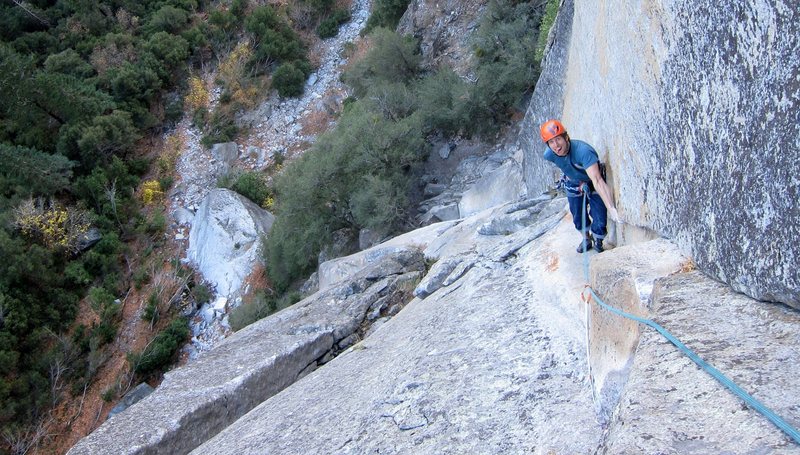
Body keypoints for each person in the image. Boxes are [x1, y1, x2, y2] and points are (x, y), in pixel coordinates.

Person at [540, 119, 620, 253]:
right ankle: (586, 239)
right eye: (551, 142)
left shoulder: (583, 152)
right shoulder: (549, 155)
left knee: (599, 216)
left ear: (566, 137)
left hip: (592, 181)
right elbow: (565, 165)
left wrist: (611, 207)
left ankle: (598, 240)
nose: (556, 145)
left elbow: (597, 180)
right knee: (578, 215)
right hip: (573, 182)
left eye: (558, 139)